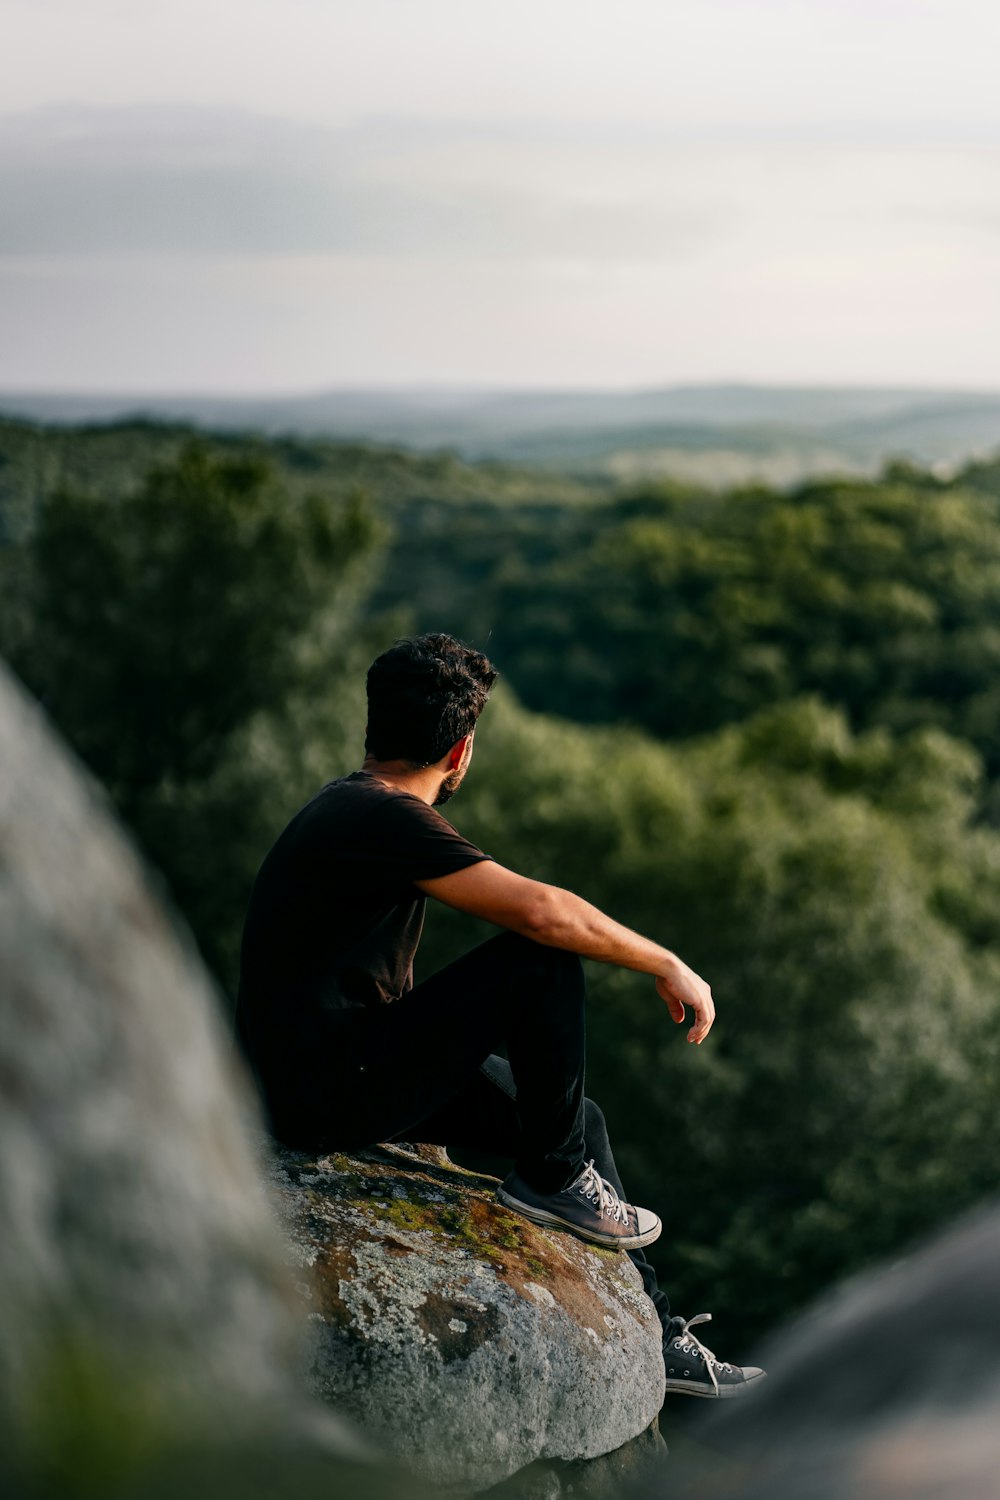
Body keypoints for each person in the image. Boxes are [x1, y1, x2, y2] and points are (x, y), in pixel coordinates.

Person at [235, 633, 764, 1399]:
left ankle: (660, 1335)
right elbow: (545, 914)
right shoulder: (381, 819)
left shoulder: (350, 806)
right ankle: (551, 1179)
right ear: (462, 751)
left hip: (337, 1069)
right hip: (325, 1089)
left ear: (374, 728)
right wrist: (667, 961)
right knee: (538, 958)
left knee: (577, 1118)